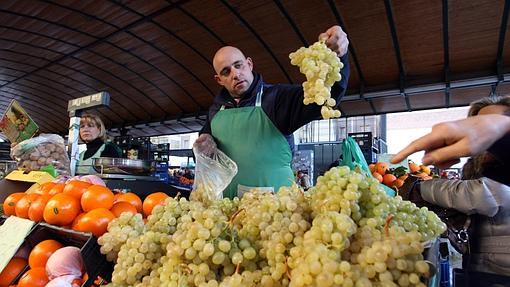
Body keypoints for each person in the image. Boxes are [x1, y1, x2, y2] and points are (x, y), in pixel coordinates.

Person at [194, 25, 350, 198]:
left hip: (275, 208)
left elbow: (327, 96)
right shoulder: (216, 110)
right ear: (219, 80)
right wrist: (203, 143)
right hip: (231, 209)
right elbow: (204, 152)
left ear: (249, 64)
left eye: (238, 65)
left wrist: (338, 56)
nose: (236, 74)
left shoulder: (277, 98)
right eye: (226, 72)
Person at [402, 96, 510, 276]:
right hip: (485, 267)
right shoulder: (484, 165)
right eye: (478, 123)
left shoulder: (500, 172)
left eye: (495, 122)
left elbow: (485, 194)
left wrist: (421, 187)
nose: (486, 129)